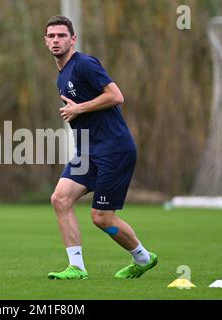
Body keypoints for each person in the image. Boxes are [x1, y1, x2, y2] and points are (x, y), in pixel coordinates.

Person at [44, 15, 158, 280]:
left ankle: (143, 257)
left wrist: (79, 108)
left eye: (61, 35)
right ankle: (77, 268)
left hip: (114, 149)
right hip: (88, 151)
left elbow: (116, 96)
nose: (56, 40)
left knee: (102, 217)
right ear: (45, 41)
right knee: (60, 199)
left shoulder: (84, 64)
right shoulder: (62, 76)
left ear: (73, 39)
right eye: (51, 36)